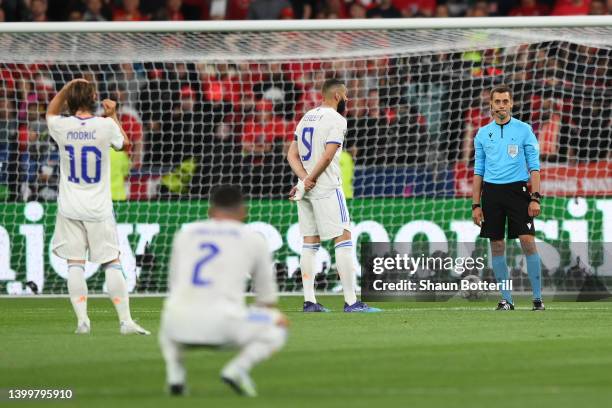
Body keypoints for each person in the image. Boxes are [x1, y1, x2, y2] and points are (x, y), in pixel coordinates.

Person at [159, 186, 288, 397]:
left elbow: (174, 284)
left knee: (171, 311)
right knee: (279, 323)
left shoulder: (185, 233)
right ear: (243, 212)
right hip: (225, 325)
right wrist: (250, 314)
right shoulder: (253, 239)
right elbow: (267, 300)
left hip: (178, 327)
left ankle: (176, 377)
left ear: (210, 211)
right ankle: (236, 369)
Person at [46, 79, 150, 334]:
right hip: (98, 208)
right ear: (93, 99)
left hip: (70, 206)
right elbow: (126, 145)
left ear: (69, 100)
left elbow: (50, 111)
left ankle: (82, 320)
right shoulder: (104, 125)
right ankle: (125, 321)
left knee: (75, 263)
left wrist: (68, 86)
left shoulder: (61, 125)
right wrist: (113, 114)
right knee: (112, 263)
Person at [287, 78, 380, 313]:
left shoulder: (307, 116)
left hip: (306, 188)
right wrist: (312, 178)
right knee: (344, 236)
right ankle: (351, 301)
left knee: (309, 242)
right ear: (337, 96)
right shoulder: (337, 119)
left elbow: (291, 155)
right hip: (326, 186)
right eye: (346, 95)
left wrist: (303, 179)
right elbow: (328, 156)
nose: (347, 99)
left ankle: (309, 301)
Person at [471, 84, 545, 311]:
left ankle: (537, 299)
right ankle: (506, 299)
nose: (501, 106)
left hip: (518, 192)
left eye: (505, 101)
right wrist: (475, 204)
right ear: (491, 105)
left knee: (527, 241)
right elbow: (478, 171)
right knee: (497, 245)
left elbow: (534, 167)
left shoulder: (524, 130)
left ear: (511, 103)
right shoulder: (482, 133)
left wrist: (535, 197)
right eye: (497, 102)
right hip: (492, 193)